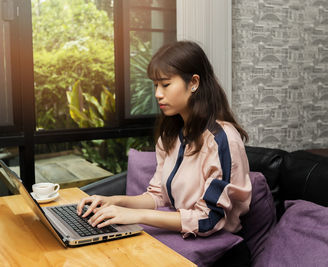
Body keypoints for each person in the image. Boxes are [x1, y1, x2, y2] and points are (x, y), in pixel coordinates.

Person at [77, 41, 252, 253]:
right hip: (183, 239)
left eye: (165, 84)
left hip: (220, 249)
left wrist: (137, 216)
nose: (158, 93)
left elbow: (209, 219)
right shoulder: (170, 137)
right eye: (155, 85)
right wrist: (114, 201)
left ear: (194, 82)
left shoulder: (223, 139)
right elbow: (158, 196)